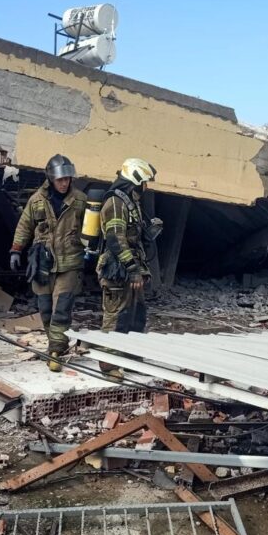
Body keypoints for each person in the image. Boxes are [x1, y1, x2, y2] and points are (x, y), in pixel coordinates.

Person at [10, 154, 87, 371]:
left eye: (67, 179)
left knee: (61, 308)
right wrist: (16, 250)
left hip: (70, 262)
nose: (64, 183)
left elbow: (91, 228)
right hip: (43, 262)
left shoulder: (80, 200)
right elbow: (24, 226)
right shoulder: (36, 200)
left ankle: (56, 351)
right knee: (45, 308)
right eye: (60, 180)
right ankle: (55, 343)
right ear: (51, 179)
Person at [96, 158, 160, 379]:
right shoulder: (115, 203)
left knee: (136, 313)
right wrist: (132, 268)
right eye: (144, 182)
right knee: (116, 315)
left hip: (133, 267)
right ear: (135, 179)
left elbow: (133, 234)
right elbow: (115, 238)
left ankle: (132, 357)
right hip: (118, 269)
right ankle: (109, 364)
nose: (146, 187)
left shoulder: (129, 201)